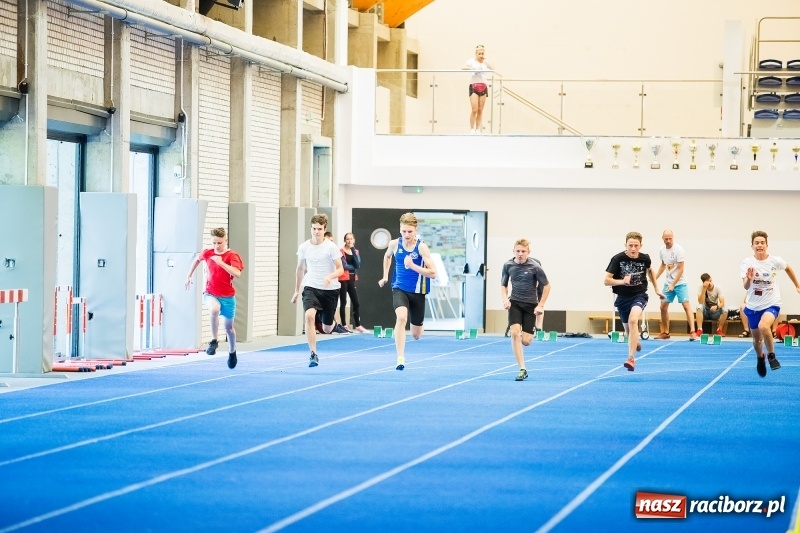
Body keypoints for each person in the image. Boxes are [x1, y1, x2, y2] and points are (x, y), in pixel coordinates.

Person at [378, 212, 437, 371]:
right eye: (404, 231)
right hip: (399, 289)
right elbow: (387, 257)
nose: (406, 235)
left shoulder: (421, 247)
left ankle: (417, 329)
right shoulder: (394, 244)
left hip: (417, 292)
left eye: (410, 231)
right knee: (401, 317)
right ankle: (400, 358)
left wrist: (413, 266)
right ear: (400, 230)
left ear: (415, 230)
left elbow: (433, 273)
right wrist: (385, 276)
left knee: (416, 335)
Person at [741, 230, 800, 377]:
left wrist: (797, 285)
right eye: (756, 243)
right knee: (756, 340)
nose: (759, 245)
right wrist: (749, 278)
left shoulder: (775, 261)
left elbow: (788, 268)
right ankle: (760, 357)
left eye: (762, 243)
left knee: (764, 325)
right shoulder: (747, 263)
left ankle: (772, 356)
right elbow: (746, 287)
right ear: (752, 246)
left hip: (772, 303)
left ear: (767, 245)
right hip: (753, 306)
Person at [184, 227, 244, 369]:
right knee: (214, 309)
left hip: (228, 296)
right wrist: (189, 275)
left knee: (229, 329)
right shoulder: (208, 253)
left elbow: (237, 273)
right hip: (210, 293)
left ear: (226, 240)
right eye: (214, 243)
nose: (216, 246)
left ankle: (232, 352)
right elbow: (197, 260)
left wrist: (221, 262)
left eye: (219, 243)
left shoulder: (232, 255)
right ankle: (214, 340)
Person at [604, 231, 664, 371]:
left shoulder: (645, 258)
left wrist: (656, 288)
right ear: (625, 245)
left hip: (639, 295)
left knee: (633, 320)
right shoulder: (618, 259)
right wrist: (622, 281)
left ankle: (631, 359)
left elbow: (650, 271)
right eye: (630, 245)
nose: (633, 248)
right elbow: (606, 280)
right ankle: (634, 341)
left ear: (640, 246)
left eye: (636, 246)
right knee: (629, 332)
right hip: (622, 298)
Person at [291, 213, 345, 367]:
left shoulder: (331, 247)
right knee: (309, 316)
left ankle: (333, 324)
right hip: (311, 286)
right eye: (314, 228)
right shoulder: (304, 247)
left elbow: (340, 269)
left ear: (324, 229)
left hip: (330, 289)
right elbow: (300, 269)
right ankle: (313, 354)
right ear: (311, 228)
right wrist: (296, 290)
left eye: (319, 229)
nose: (316, 232)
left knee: (326, 329)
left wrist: (330, 276)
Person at [501, 239, 551, 381]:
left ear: (528, 252)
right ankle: (522, 369)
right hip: (515, 303)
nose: (520, 254)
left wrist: (541, 305)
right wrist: (505, 300)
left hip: (530, 305)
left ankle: (534, 327)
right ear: (513, 251)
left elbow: (547, 286)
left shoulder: (535, 267)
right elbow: (503, 285)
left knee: (526, 341)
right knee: (515, 333)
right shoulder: (508, 265)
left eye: (523, 251)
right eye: (518, 251)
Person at [655, 230, 698, 340]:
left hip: (680, 282)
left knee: (686, 305)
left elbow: (681, 269)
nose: (668, 241)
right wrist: (655, 277)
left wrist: (673, 284)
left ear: (673, 238)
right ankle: (665, 332)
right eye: (666, 239)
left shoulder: (679, 250)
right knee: (663, 306)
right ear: (662, 238)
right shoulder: (662, 250)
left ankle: (693, 332)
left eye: (670, 238)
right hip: (668, 283)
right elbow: (663, 265)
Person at [505, 255, 545, 336]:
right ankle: (514, 328)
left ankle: (539, 329)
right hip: (518, 299)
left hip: (532, 301)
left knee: (539, 308)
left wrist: (540, 305)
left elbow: (541, 301)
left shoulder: (540, 280)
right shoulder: (518, 271)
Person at [339, 232, 367, 333]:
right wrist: (354, 266)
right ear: (345, 240)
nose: (349, 241)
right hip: (343, 279)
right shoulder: (341, 251)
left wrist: (353, 250)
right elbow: (344, 266)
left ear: (354, 240)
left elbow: (358, 264)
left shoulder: (356, 251)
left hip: (352, 279)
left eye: (351, 239)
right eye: (347, 239)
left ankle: (358, 326)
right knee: (343, 302)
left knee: (356, 303)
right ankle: (344, 325)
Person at [464, 44, 493, 135]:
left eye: (482, 53)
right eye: (479, 54)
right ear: (476, 54)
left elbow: (493, 68)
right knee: (474, 109)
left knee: (480, 109)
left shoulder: (485, 62)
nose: (481, 55)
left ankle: (478, 129)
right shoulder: (471, 61)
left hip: (483, 85)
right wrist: (473, 68)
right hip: (474, 85)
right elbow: (463, 67)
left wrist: (486, 61)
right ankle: (472, 129)